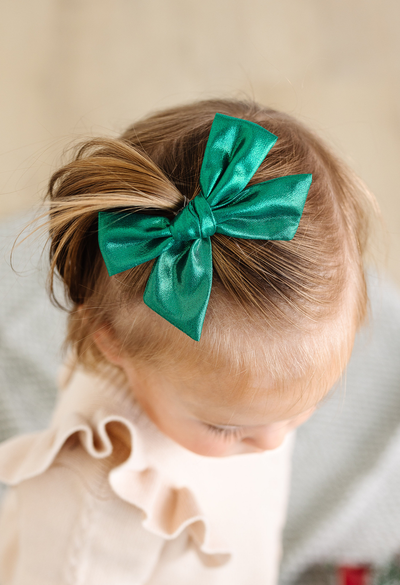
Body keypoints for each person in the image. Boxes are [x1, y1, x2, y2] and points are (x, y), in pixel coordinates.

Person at [0, 99, 377, 585]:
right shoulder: (92, 505)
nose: (273, 441)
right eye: (224, 427)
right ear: (114, 344)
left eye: (306, 405)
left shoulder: (248, 406)